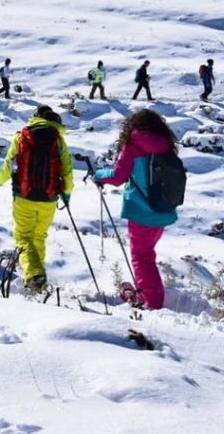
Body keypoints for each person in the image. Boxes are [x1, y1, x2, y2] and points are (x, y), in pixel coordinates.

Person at [94, 109, 179, 309]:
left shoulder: (133, 146)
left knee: (142, 257)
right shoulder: (165, 145)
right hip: (164, 209)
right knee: (147, 254)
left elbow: (117, 177)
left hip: (142, 210)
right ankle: (145, 292)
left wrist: (99, 174)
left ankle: (152, 302)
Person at [0, 105, 74, 290]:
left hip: (24, 196)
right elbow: (67, 171)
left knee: (23, 238)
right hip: (49, 199)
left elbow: (8, 166)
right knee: (39, 237)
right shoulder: (58, 140)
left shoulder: (22, 136)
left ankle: (34, 275)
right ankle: (37, 282)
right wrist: (66, 193)